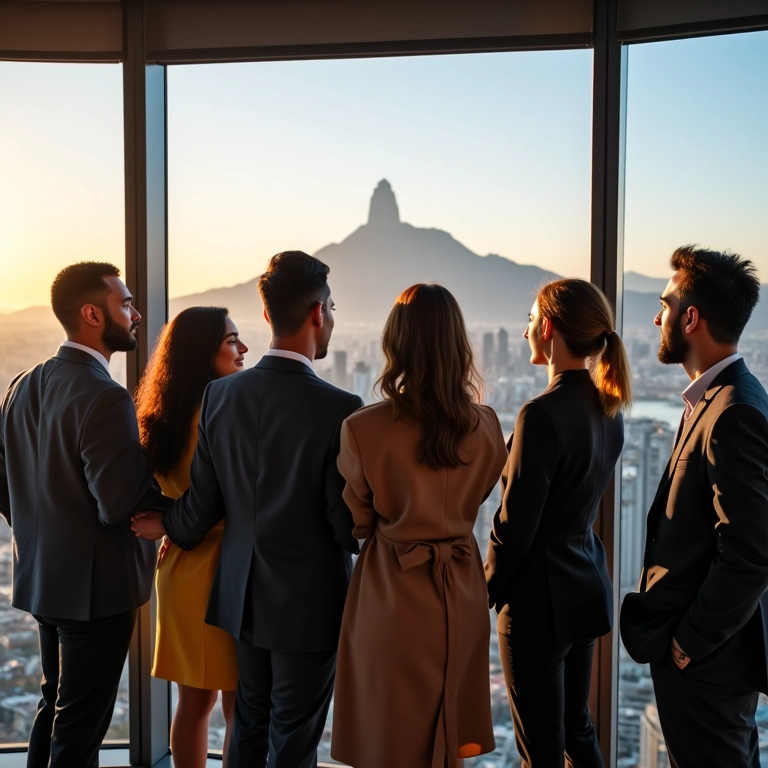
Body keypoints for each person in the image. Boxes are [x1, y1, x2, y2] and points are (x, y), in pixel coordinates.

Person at [131, 250, 363, 768]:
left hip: (239, 597)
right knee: (294, 738)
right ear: (317, 313)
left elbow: (201, 506)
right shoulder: (340, 408)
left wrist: (165, 522)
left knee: (249, 729)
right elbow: (343, 526)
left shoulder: (219, 397)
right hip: (308, 604)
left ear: (266, 316)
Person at [330, 283, 507, 768]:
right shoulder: (488, 424)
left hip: (392, 592)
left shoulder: (363, 428)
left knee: (389, 734)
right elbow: (483, 491)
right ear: (458, 344)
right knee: (448, 732)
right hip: (462, 591)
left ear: (395, 341)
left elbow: (361, 522)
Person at [0, 262, 167, 768]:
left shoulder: (22, 384)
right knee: (79, 727)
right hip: (96, 592)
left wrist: (41, 531)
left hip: (43, 579)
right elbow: (119, 502)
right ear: (92, 313)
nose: (137, 315)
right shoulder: (104, 396)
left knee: (54, 709)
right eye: (127, 304)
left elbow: (5, 483)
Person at [620, 246, 768, 768]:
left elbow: (750, 552)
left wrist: (687, 645)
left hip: (707, 666)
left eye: (664, 304)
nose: (655, 317)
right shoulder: (718, 398)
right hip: (707, 662)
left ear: (691, 318)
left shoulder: (733, 410)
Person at [485, 278, 631, 768]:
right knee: (577, 731)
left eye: (529, 319)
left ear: (547, 329)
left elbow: (514, 527)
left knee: (540, 750)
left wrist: (482, 592)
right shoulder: (608, 409)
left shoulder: (540, 414)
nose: (525, 328)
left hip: (534, 608)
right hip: (584, 589)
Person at [135, 306, 248, 768]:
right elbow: (222, 494)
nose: (243, 349)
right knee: (238, 704)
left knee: (193, 704)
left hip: (181, 567)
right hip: (224, 567)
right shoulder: (221, 410)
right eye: (231, 341)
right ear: (205, 352)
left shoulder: (160, 413)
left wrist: (165, 520)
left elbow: (164, 490)